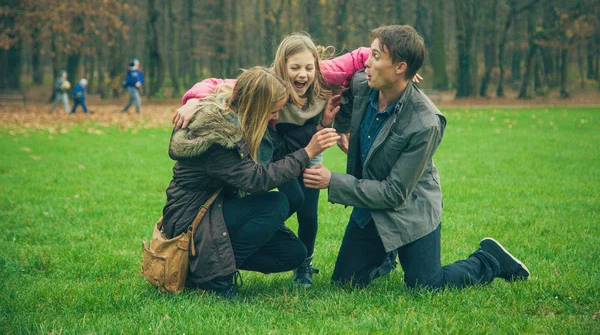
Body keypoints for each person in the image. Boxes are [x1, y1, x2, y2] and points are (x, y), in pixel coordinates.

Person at [303, 25, 530, 290]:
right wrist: (335, 123)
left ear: (400, 68)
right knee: (345, 283)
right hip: (369, 210)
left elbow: (395, 193)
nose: (367, 61)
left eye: (376, 56)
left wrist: (332, 181)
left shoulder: (426, 122)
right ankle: (384, 254)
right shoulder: (362, 84)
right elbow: (345, 108)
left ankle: (489, 259)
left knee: (427, 286)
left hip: (410, 208)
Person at [173, 35, 371, 287]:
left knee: (301, 212)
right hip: (270, 154)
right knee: (278, 201)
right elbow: (214, 84)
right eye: (295, 67)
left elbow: (363, 56)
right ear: (282, 67)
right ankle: (214, 270)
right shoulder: (261, 87)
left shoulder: (323, 75)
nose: (303, 74)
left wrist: (323, 126)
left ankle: (299, 262)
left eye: (309, 67)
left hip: (302, 141)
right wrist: (195, 101)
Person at [162, 67, 340, 298]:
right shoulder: (218, 137)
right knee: (275, 203)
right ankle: (211, 276)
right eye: (273, 111)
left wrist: (318, 128)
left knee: (293, 253)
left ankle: (205, 267)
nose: (275, 117)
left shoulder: (246, 124)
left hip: (214, 212)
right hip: (189, 219)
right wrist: (307, 153)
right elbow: (257, 180)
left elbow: (277, 150)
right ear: (256, 107)